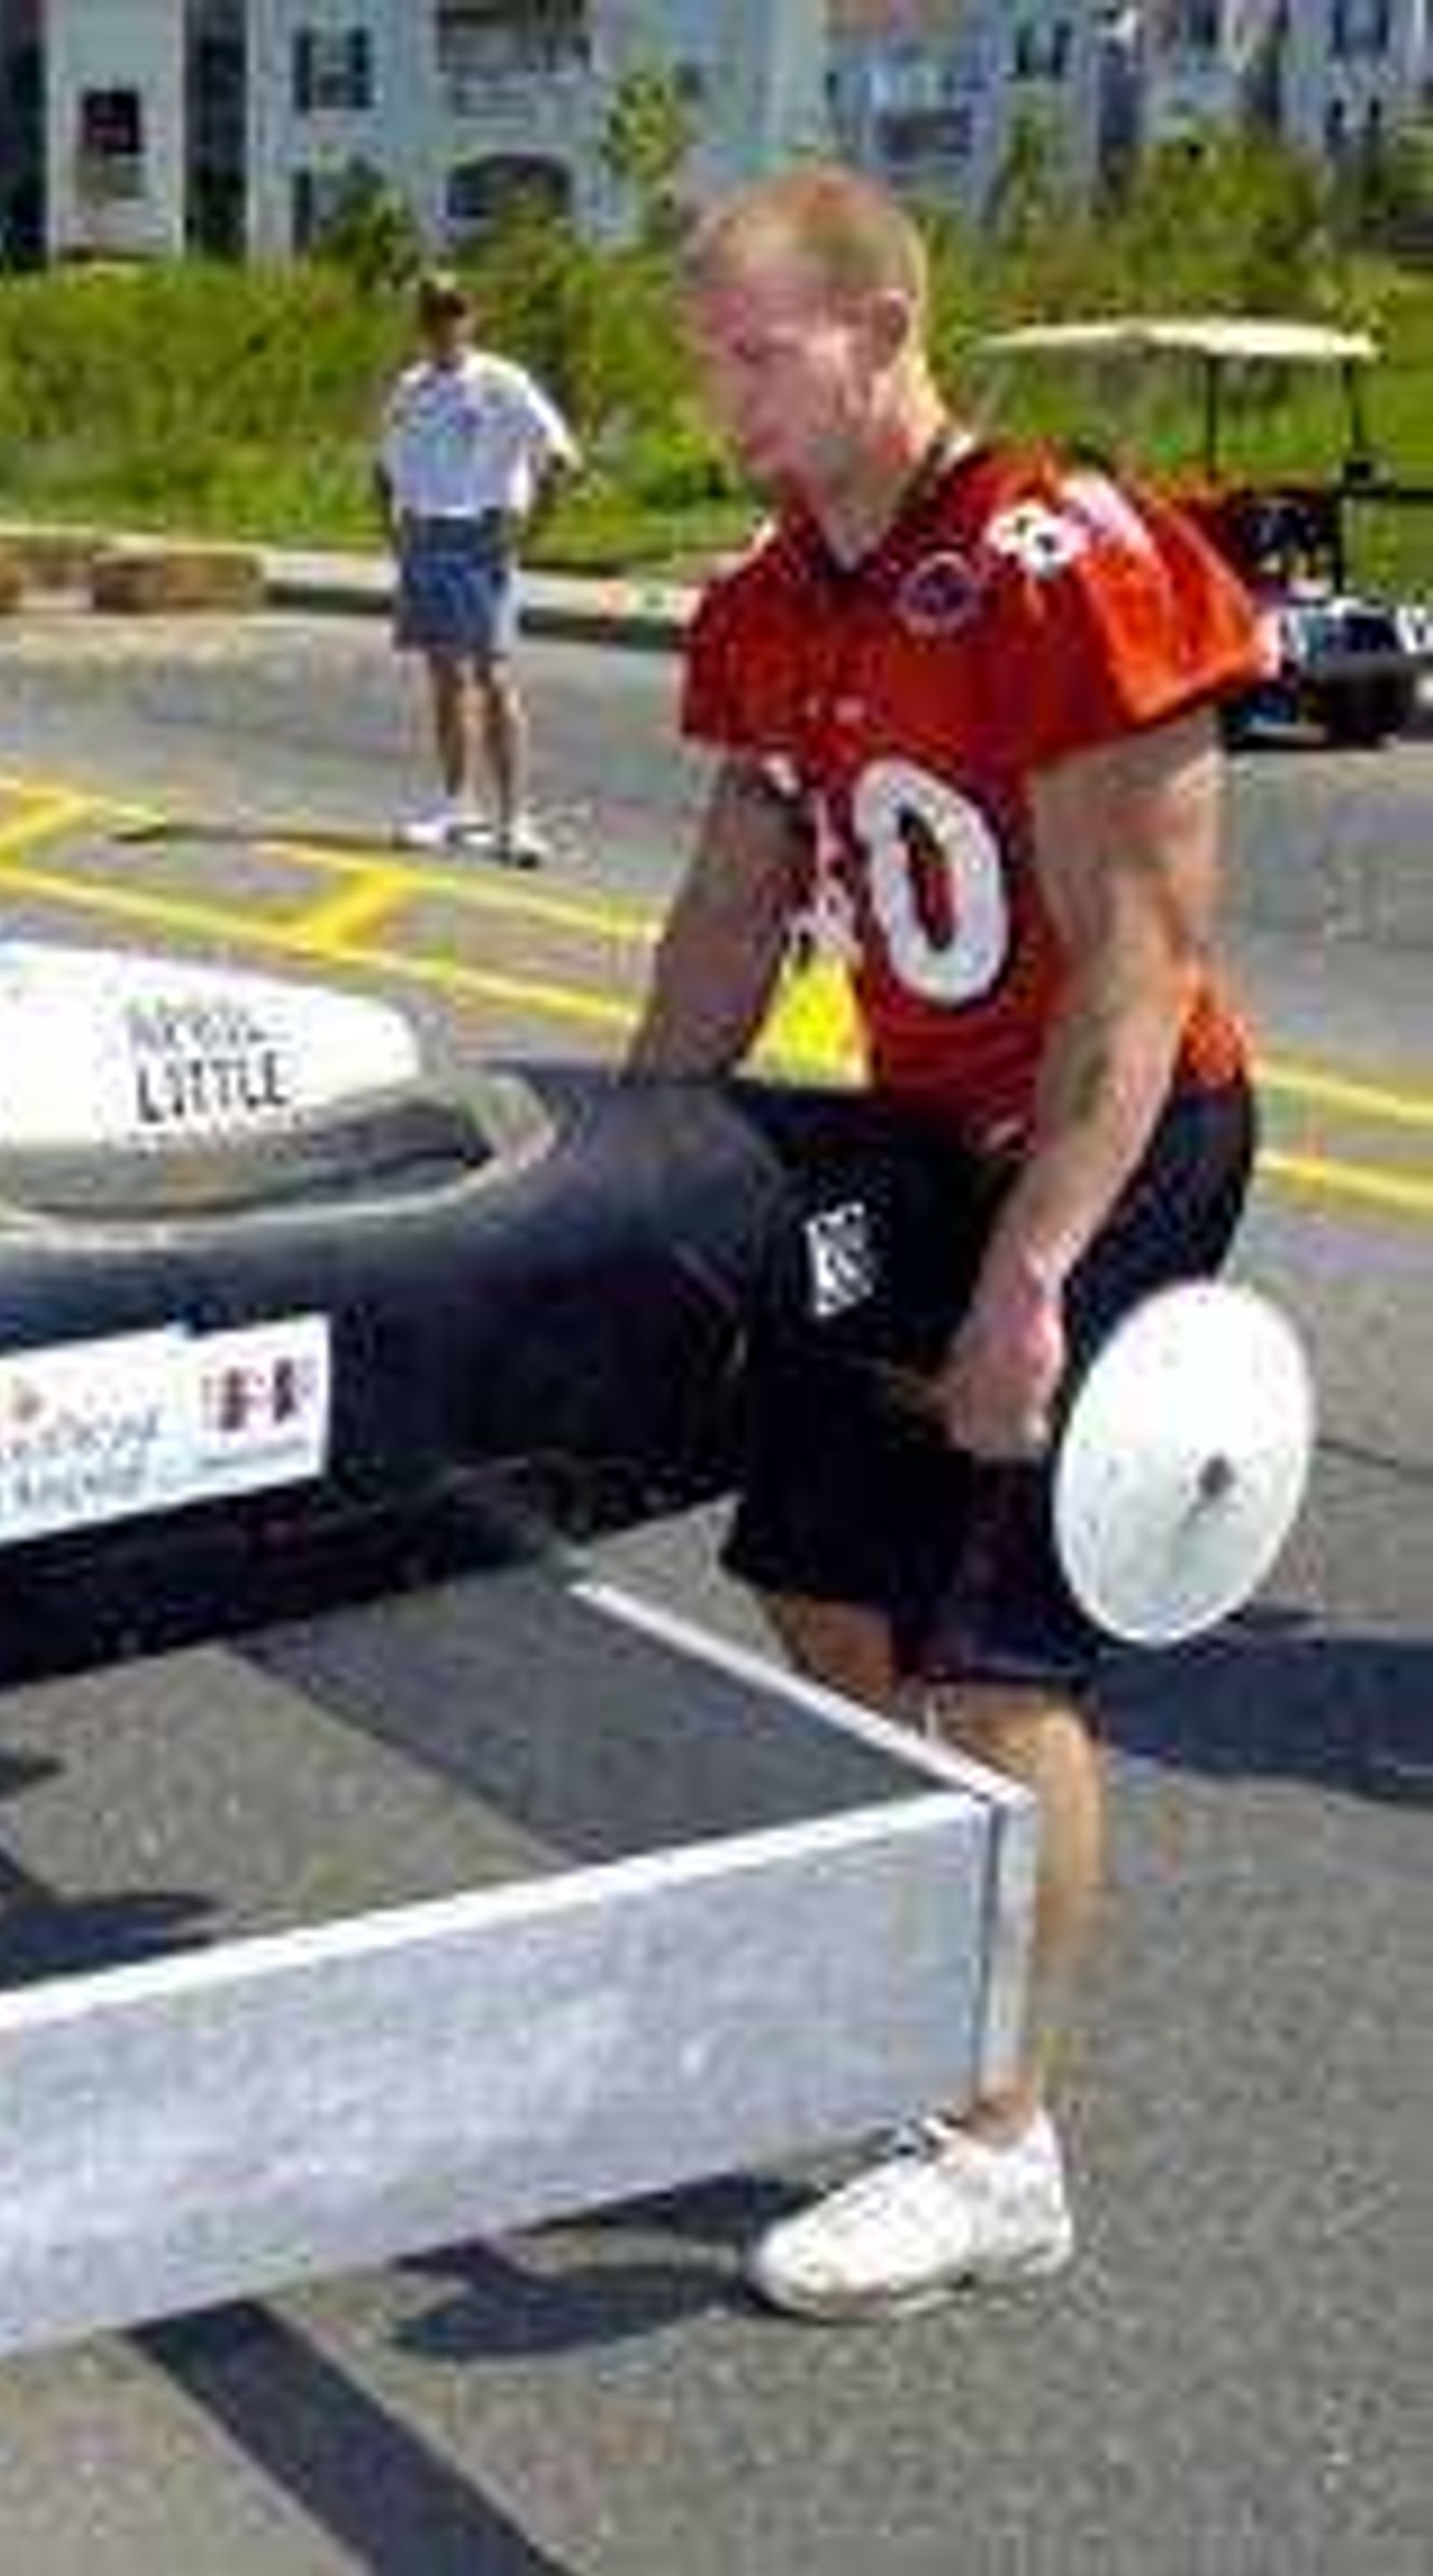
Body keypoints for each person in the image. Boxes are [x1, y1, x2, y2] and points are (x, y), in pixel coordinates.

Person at [632, 165, 1266, 2322]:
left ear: (884, 324)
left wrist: (1031, 1279)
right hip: (917, 1129)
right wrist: (629, 1165)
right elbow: (735, 901)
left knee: (993, 1644)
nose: (720, 393)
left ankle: (998, 2144)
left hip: (1112, 1133)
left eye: (755, 350)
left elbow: (1140, 955)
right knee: (817, 1567)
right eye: (701, 352)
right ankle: (932, 1966)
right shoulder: (767, 593)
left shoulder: (1054, 558)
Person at [372, 270, 580, 867]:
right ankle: (457, 807)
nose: (444, 324)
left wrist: (529, 533)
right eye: (434, 313)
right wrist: (396, 536)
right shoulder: (410, 388)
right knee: (444, 679)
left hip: (483, 531)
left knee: (494, 676)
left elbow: (559, 458)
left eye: (454, 311)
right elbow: (382, 469)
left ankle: (517, 818)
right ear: (420, 323)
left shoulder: (501, 381)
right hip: (425, 533)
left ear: (472, 318)